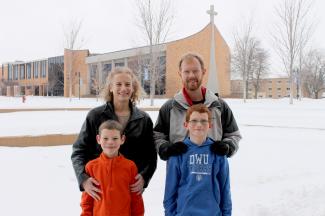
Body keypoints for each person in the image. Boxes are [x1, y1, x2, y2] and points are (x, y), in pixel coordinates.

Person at [71, 67, 157, 201]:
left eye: (128, 84)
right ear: (110, 87)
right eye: (118, 84)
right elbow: (79, 150)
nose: (123, 88)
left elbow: (150, 156)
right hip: (99, 190)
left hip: (128, 189)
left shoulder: (144, 120)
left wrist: (145, 177)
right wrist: (83, 179)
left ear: (133, 88)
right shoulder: (95, 116)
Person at [154, 52, 241, 160]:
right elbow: (157, 136)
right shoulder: (170, 107)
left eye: (195, 71)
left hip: (211, 172)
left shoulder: (219, 106)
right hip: (180, 173)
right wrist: (165, 148)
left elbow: (234, 135)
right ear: (180, 73)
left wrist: (228, 146)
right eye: (186, 71)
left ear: (203, 72)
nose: (191, 75)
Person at [163, 104, 232, 216]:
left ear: (210, 125)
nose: (199, 125)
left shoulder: (218, 153)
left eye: (204, 121)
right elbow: (170, 191)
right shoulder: (178, 153)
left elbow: (225, 189)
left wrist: (227, 214)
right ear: (186, 125)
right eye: (194, 121)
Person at [80, 120, 144, 216]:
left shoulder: (130, 166)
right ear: (98, 139)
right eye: (105, 138)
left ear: (122, 139)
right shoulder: (91, 167)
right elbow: (87, 201)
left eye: (115, 138)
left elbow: (136, 199)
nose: (110, 142)